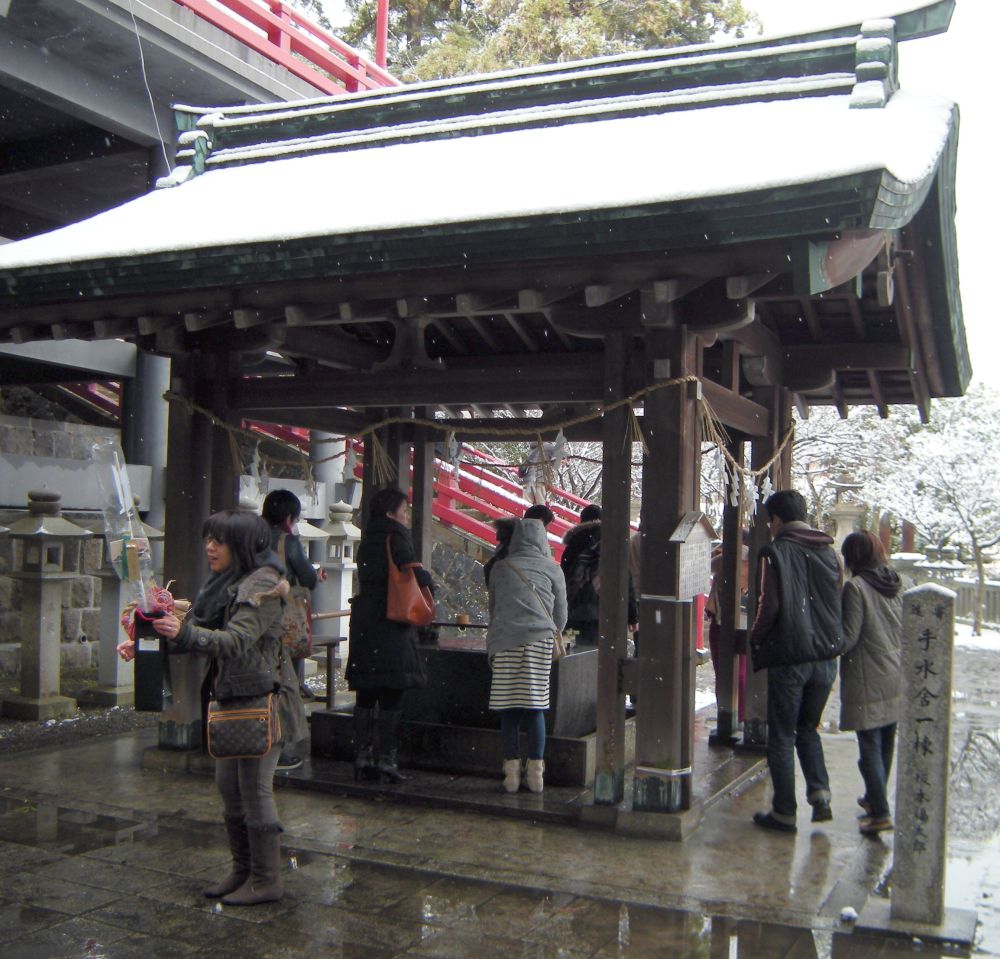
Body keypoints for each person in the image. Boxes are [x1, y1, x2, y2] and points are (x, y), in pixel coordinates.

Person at [131, 511, 289, 905]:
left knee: (254, 790)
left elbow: (234, 641)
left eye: (219, 540)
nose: (210, 547)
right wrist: (151, 633)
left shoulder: (264, 584)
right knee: (229, 789)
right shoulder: (225, 583)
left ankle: (267, 879)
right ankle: (242, 870)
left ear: (243, 545)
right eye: (208, 539)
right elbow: (200, 629)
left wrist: (182, 631)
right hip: (232, 698)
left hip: (263, 700)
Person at [749, 489, 843, 833]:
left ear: (776, 519)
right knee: (807, 727)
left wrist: (756, 637)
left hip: (791, 654)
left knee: (782, 734)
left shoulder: (776, 553)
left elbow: (769, 605)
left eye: (769, 521)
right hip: (826, 656)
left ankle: (784, 812)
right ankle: (820, 795)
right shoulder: (830, 553)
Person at [346, 487, 433, 783]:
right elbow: (414, 572)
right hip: (391, 621)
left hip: (365, 623)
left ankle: (362, 756)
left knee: (366, 692)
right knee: (392, 692)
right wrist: (429, 582)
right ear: (390, 513)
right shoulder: (396, 536)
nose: (406, 516)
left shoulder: (368, 537)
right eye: (403, 510)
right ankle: (387, 759)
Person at [486, 518, 568, 793]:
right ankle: (536, 775)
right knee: (535, 707)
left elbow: (494, 608)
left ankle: (511, 774)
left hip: (505, 640)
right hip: (539, 642)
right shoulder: (553, 569)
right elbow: (561, 616)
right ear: (542, 540)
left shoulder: (500, 568)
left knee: (509, 708)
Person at [840, 530, 903, 836]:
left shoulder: (856, 588)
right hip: (896, 673)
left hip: (868, 675)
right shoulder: (899, 582)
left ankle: (880, 813)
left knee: (869, 747)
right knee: (886, 739)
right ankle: (874, 799)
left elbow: (848, 638)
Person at [261, 490, 327, 772]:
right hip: (282, 623)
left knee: (259, 683)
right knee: (286, 683)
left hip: (250, 620)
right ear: (289, 518)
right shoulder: (287, 541)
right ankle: (281, 747)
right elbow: (308, 578)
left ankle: (252, 739)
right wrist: (315, 575)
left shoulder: (250, 537)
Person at [560, 504, 637, 646]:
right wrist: (632, 616)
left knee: (573, 653)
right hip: (606, 613)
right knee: (604, 653)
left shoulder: (572, 547)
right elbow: (625, 580)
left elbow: (563, 581)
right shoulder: (612, 546)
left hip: (573, 615)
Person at [484, 504, 555, 587]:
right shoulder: (531, 543)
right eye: (548, 526)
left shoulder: (510, 536)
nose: (547, 530)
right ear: (540, 521)